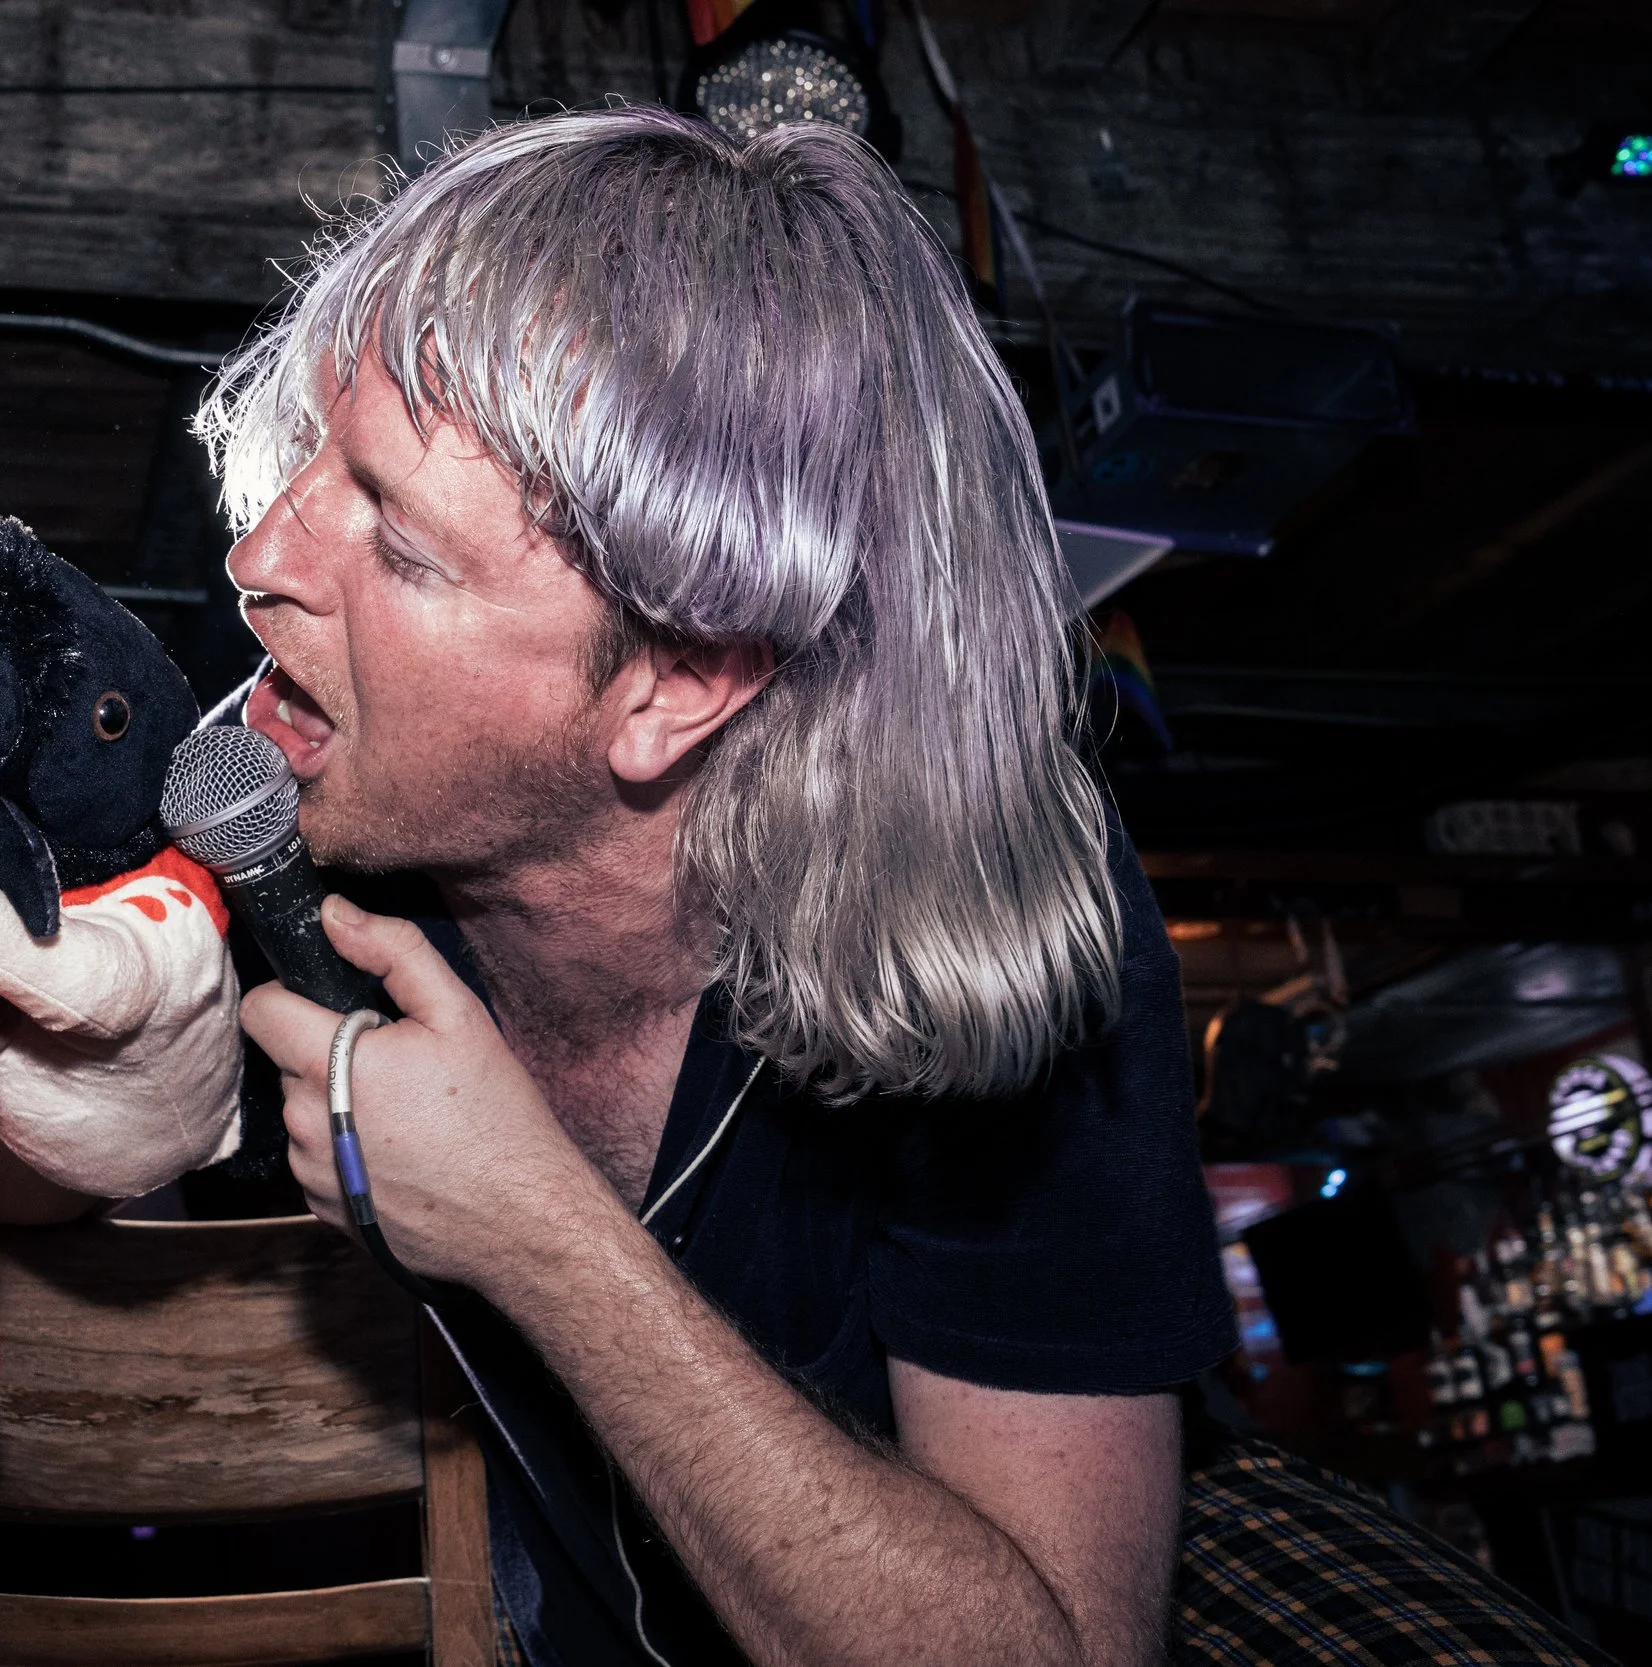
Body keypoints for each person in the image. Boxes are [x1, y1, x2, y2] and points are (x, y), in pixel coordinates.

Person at [199, 109, 1234, 1667]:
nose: (259, 555)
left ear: (675, 686)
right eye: (311, 465)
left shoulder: (1000, 940)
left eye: (400, 544)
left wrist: (536, 1228)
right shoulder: (286, 789)